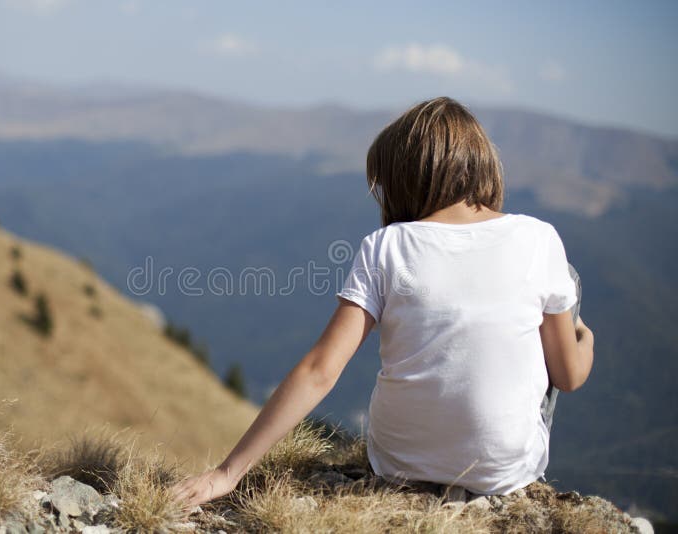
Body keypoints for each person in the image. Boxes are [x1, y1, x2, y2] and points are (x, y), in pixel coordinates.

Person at [169, 96, 595, 508]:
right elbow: (568, 377)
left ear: (404, 178)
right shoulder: (538, 238)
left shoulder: (385, 246)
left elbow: (320, 370)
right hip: (500, 472)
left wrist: (227, 473)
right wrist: (583, 336)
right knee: (565, 281)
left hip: (399, 463)